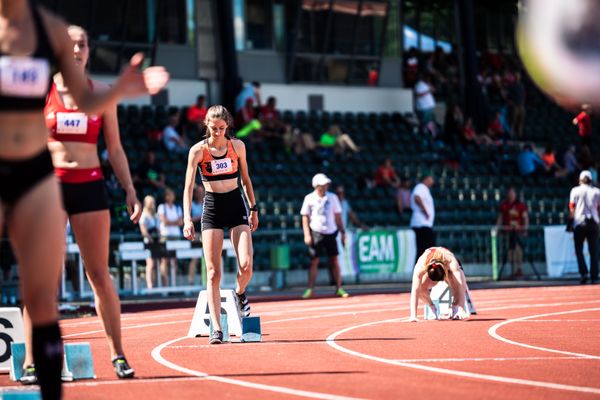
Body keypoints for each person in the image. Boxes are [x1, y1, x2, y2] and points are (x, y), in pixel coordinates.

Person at [0, 3, 168, 398]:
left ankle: (118, 354)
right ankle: (28, 363)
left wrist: (128, 188)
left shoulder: (99, 93)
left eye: (83, 45)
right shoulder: (40, 89)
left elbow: (116, 149)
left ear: (89, 51)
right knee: (42, 283)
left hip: (91, 185)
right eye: (72, 45)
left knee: (99, 274)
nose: (76, 51)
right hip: (47, 186)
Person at [182, 105, 258, 345]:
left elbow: (245, 178)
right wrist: (186, 219)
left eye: (222, 128)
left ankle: (239, 293)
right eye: (213, 128)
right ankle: (217, 328)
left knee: (246, 265)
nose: (217, 132)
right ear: (206, 125)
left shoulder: (237, 147)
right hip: (212, 207)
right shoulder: (198, 151)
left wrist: (253, 208)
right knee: (213, 272)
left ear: (228, 126)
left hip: (236, 204)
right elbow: (186, 188)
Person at [300, 173, 349, 299]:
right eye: (322, 185)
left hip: (331, 232)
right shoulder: (309, 198)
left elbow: (338, 216)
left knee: (334, 261)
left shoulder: (333, 198)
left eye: (326, 184)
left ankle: (339, 288)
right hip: (316, 232)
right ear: (316, 186)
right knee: (314, 261)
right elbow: (305, 217)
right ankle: (310, 289)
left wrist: (342, 232)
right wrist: (307, 234)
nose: (325, 187)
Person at [409, 246, 470, 322]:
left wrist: (461, 308)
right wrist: (413, 315)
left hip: (449, 270)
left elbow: (460, 285)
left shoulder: (450, 261)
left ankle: (455, 308)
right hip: (432, 266)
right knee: (420, 288)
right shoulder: (421, 266)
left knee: (458, 280)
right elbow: (415, 290)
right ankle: (432, 307)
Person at [569, 170, 600, 284]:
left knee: (579, 249)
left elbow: (572, 208)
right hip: (593, 222)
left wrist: (571, 222)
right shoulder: (597, 191)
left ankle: (583, 273)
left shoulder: (575, 190)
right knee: (594, 250)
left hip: (580, 222)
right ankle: (594, 275)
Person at [495, 187, 529, 278]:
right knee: (510, 251)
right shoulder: (504, 205)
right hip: (508, 232)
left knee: (518, 250)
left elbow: (525, 218)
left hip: (518, 232)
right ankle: (513, 271)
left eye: (512, 193)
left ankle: (519, 269)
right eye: (509, 193)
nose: (511, 195)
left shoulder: (520, 205)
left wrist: (525, 229)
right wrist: (497, 228)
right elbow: (500, 218)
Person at [157, 187, 183, 287]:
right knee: (165, 260)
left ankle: (173, 284)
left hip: (175, 236)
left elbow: (181, 222)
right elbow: (164, 221)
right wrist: (175, 222)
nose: (171, 196)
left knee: (174, 260)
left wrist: (171, 222)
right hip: (165, 236)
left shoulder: (177, 208)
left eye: (172, 194)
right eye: (169, 194)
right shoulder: (161, 207)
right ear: (166, 197)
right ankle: (165, 285)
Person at [410, 174, 436, 263]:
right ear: (426, 178)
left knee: (423, 250)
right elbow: (417, 197)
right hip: (421, 224)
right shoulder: (421, 187)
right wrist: (425, 210)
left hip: (423, 224)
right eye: (431, 178)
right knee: (427, 249)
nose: (432, 181)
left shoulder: (425, 189)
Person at [139, 195, 160, 289]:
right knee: (150, 264)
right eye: (150, 202)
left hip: (156, 241)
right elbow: (143, 230)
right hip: (148, 242)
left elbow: (159, 229)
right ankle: (149, 284)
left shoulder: (155, 215)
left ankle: (155, 283)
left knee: (155, 264)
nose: (152, 204)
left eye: (153, 202)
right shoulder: (143, 215)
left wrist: (158, 237)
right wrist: (150, 238)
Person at [187, 185, 205, 285]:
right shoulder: (192, 205)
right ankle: (191, 280)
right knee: (195, 258)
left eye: (202, 192)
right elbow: (189, 219)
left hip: (206, 233)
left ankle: (207, 282)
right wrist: (199, 217)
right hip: (196, 233)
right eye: (198, 192)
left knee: (208, 258)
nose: (200, 194)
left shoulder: (207, 203)